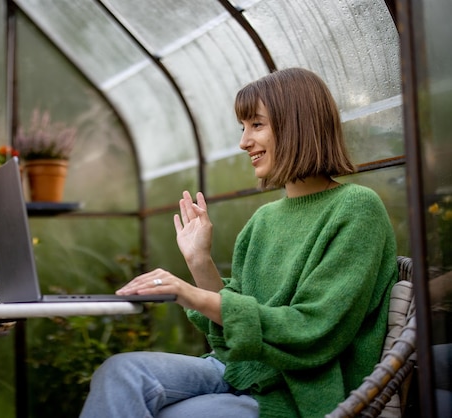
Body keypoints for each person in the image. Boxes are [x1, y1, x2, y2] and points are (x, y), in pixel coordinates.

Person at [79, 67, 398, 418]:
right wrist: (200, 261)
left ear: (297, 125)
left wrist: (189, 293)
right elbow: (236, 321)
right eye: (243, 128)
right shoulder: (264, 220)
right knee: (120, 373)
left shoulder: (356, 208)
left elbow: (313, 332)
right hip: (238, 368)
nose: (244, 142)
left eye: (256, 125)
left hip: (294, 389)